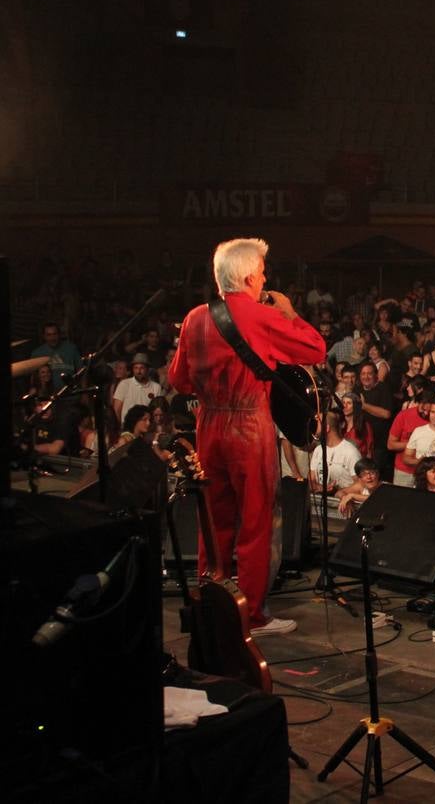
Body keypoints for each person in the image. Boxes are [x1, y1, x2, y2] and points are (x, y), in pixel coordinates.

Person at [168, 237, 326, 636]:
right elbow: (315, 349)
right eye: (262, 273)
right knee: (256, 522)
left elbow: (179, 381)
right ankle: (252, 616)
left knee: (213, 519)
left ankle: (211, 603)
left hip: (209, 426)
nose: (265, 279)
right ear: (249, 276)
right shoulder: (259, 316)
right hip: (248, 427)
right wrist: (289, 313)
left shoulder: (194, 318)